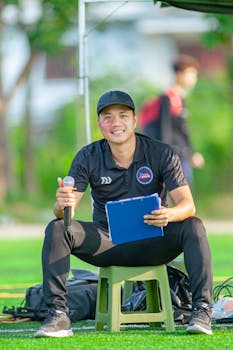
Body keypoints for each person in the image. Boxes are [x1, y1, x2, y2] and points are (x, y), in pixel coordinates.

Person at [34, 90, 213, 338]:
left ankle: (202, 310)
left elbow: (187, 205)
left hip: (154, 240)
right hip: (107, 242)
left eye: (122, 115)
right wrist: (61, 204)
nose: (115, 123)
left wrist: (169, 215)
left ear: (134, 120)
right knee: (56, 228)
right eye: (107, 117)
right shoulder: (88, 156)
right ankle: (58, 316)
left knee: (194, 225)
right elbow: (66, 212)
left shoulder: (162, 153)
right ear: (99, 124)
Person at [138, 54, 204, 185]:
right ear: (178, 75)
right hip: (173, 158)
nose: (194, 78)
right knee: (180, 198)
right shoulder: (167, 99)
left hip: (182, 155)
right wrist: (167, 159)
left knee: (184, 197)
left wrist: (191, 153)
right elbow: (165, 131)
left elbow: (182, 131)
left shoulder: (180, 98)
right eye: (191, 74)